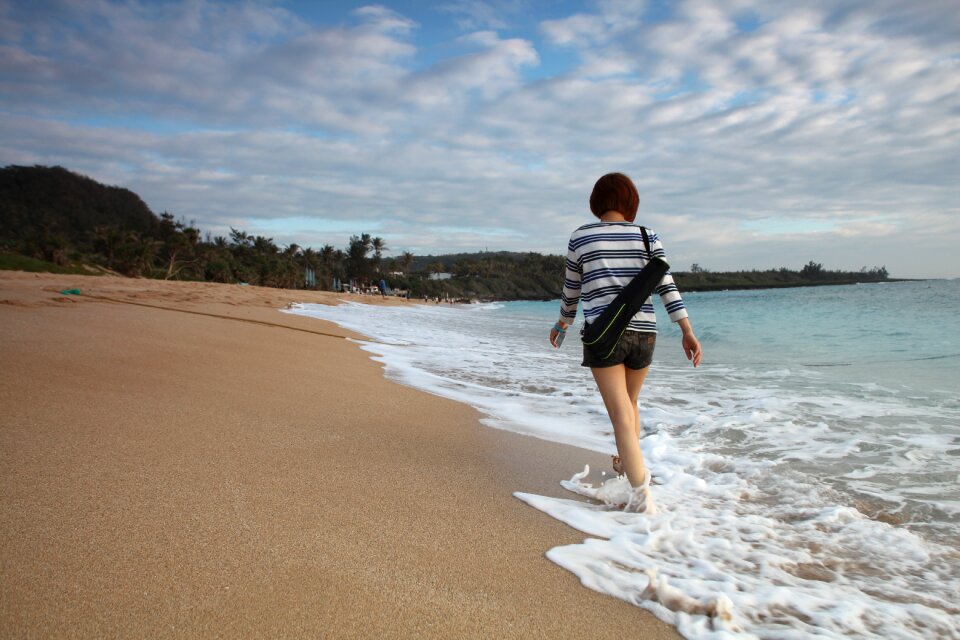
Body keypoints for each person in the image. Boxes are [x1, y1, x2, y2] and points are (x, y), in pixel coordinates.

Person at [550, 172, 702, 502]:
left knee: (620, 413)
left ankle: (642, 498)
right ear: (630, 201)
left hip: (604, 335)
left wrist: (562, 324)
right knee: (630, 405)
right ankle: (625, 466)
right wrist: (686, 331)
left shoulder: (581, 238)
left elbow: (571, 293)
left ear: (597, 202)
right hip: (645, 333)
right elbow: (667, 287)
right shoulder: (649, 237)